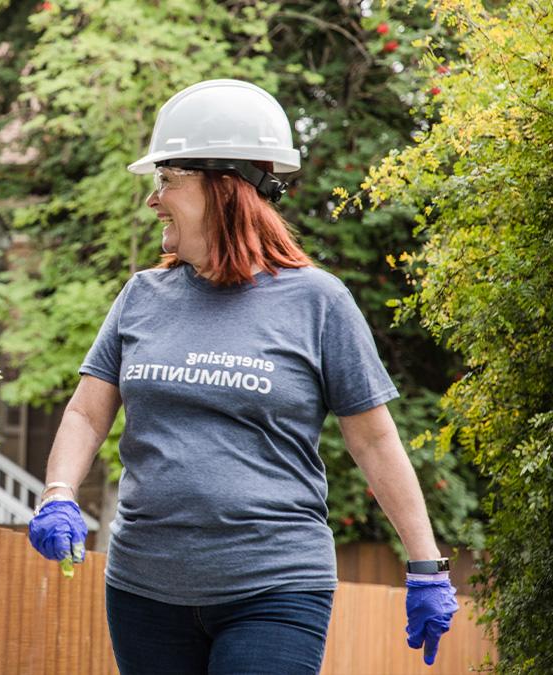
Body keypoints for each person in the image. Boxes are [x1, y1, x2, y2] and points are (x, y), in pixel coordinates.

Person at [26, 79, 459, 674]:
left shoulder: (317, 301)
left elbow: (374, 439)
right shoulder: (141, 296)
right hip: (143, 589)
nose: (153, 200)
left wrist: (426, 564)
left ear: (223, 189)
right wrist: (58, 493)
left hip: (275, 587)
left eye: (167, 181)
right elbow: (86, 410)